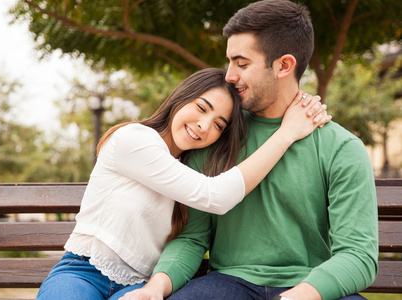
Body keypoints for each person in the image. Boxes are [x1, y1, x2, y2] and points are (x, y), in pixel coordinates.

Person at [120, 1, 378, 300]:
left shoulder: (342, 148)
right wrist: (154, 289)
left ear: (284, 65)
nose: (229, 75)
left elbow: (358, 255)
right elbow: (192, 239)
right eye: (229, 62)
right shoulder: (216, 134)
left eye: (242, 64)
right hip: (227, 284)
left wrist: (299, 295)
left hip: (311, 288)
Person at [36, 67, 328, 300]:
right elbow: (216, 196)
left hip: (141, 285)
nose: (204, 125)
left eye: (218, 124)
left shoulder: (191, 170)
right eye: (201, 108)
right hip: (84, 271)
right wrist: (286, 132)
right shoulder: (135, 139)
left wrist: (295, 105)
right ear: (181, 97)